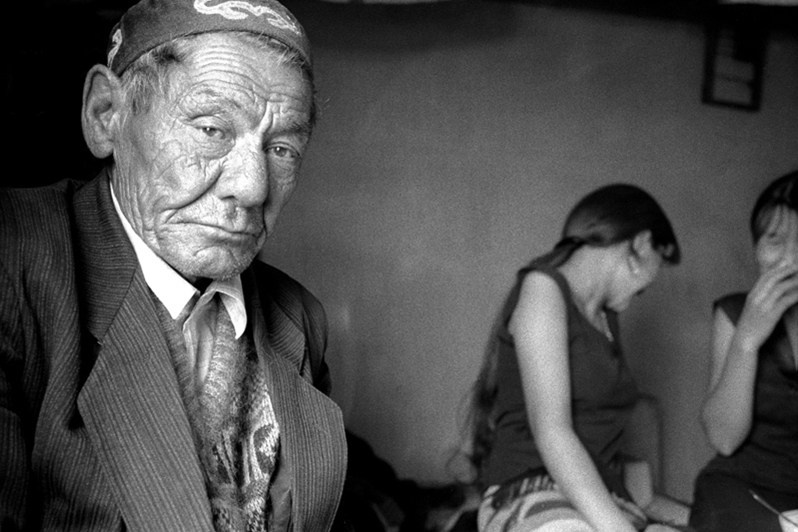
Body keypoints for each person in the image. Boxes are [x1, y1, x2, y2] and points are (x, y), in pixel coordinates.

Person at [0, 1, 347, 530]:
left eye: (281, 148)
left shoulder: (299, 320)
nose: (252, 188)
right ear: (105, 115)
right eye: (211, 130)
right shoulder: (14, 257)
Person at [469, 184, 682, 532]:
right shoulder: (543, 288)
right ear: (641, 244)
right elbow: (552, 432)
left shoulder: (605, 317)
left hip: (603, 498)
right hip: (531, 490)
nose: (651, 285)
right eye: (660, 260)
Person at [690, 171, 798, 532]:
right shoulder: (735, 314)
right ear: (756, 248)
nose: (790, 258)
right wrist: (747, 340)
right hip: (742, 489)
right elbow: (724, 438)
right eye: (774, 239)